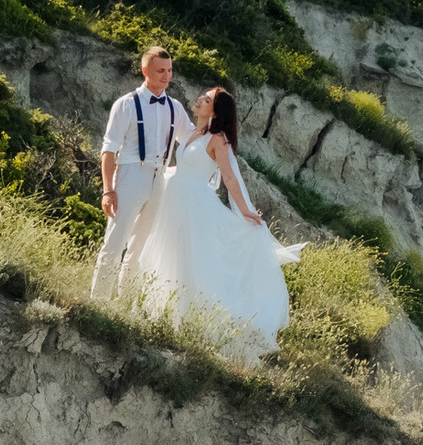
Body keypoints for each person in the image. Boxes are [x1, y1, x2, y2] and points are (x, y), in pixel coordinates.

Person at [123, 86, 301, 359]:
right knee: (171, 254)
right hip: (175, 196)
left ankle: (196, 323)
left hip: (194, 202)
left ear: (215, 111)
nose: (200, 100)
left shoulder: (219, 140)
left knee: (192, 260)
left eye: (206, 100)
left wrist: (245, 210)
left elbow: (229, 178)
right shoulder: (195, 133)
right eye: (203, 97)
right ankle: (162, 314)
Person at [92, 45, 194, 303]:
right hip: (130, 175)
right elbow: (109, 149)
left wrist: (218, 129)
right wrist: (108, 189)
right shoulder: (126, 104)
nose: (167, 76)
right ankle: (98, 304)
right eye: (161, 70)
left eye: (170, 70)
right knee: (114, 244)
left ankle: (125, 305)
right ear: (145, 70)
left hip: (159, 178)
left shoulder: (175, 108)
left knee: (140, 247)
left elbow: (191, 139)